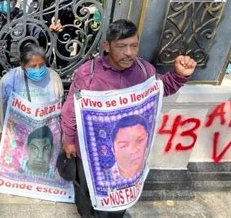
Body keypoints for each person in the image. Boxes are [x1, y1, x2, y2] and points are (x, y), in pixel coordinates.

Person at [61, 19, 197, 218]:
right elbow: (71, 110)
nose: (129, 53)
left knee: (120, 202)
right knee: (89, 196)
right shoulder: (88, 74)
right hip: (90, 155)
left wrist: (179, 76)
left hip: (129, 156)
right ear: (107, 46)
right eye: (121, 46)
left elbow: (160, 89)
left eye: (134, 46)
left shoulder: (144, 70)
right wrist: (70, 140)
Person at [0, 43, 63, 144]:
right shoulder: (9, 79)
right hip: (17, 136)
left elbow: (60, 104)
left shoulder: (53, 77)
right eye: (33, 66)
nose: (38, 69)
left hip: (46, 134)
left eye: (42, 65)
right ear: (23, 65)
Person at [110, 115, 148, 180]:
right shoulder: (104, 177)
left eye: (140, 140)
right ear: (113, 150)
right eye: (124, 146)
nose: (133, 150)